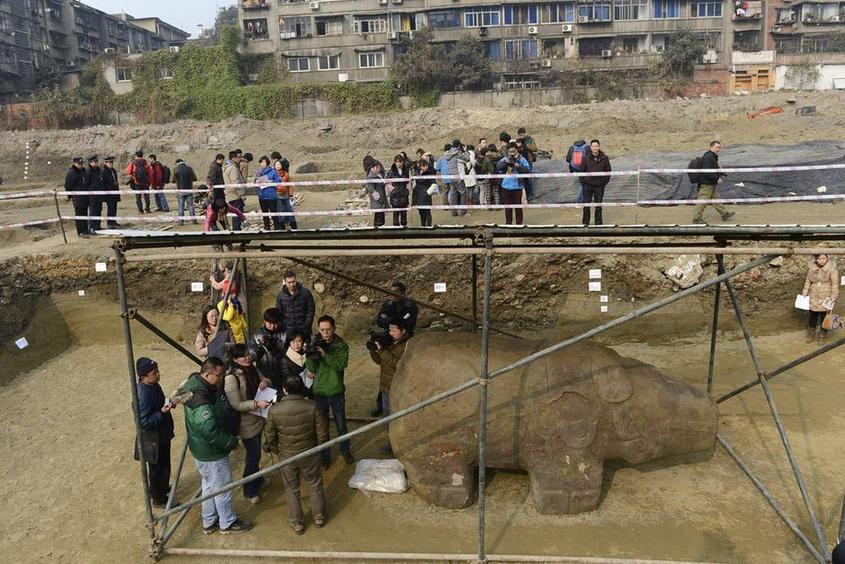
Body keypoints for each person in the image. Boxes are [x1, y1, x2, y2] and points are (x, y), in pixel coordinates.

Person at [179, 357, 254, 534]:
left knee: (209, 486)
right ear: (207, 373)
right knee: (223, 489)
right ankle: (227, 522)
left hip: (202, 451)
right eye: (218, 376)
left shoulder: (194, 383)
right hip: (212, 453)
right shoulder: (202, 401)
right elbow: (209, 431)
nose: (220, 379)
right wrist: (231, 441)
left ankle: (209, 520)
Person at [262, 376, 329, 535]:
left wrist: (276, 450)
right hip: (310, 453)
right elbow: (322, 432)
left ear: (285, 390)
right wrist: (318, 449)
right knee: (315, 484)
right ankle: (319, 517)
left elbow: (270, 436)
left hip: (287, 455)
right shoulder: (313, 406)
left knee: (292, 488)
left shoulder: (275, 410)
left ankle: (297, 522)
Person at [224, 344, 271, 504]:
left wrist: (265, 382)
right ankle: (249, 490)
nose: (248, 357)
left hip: (259, 417)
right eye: (244, 355)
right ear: (236, 358)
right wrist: (256, 404)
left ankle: (257, 479)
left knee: (256, 453)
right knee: (253, 454)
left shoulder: (252, 367)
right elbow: (236, 405)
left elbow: (265, 378)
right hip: (245, 423)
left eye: (248, 354)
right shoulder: (231, 378)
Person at [306, 315, 353, 467]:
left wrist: (325, 355)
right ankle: (325, 457)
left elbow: (340, 365)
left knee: (341, 425)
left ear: (334, 328)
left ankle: (345, 451)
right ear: (318, 330)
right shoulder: (316, 343)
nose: (325, 333)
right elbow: (311, 370)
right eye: (322, 330)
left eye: (328, 330)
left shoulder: (341, 345)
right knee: (322, 427)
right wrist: (310, 354)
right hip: (319, 392)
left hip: (336, 391)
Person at [371, 281, 418, 416]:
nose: (392, 295)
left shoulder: (410, 306)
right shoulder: (388, 304)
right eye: (390, 292)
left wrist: (390, 320)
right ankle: (381, 403)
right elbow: (380, 321)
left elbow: (407, 324)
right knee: (386, 368)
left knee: (401, 368)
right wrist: (394, 322)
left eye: (395, 292)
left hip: (404, 340)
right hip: (389, 338)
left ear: (403, 293)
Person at [136, 357, 176, 508]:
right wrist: (162, 412)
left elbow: (159, 403)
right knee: (157, 469)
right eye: (154, 373)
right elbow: (143, 422)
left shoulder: (153, 385)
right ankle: (159, 499)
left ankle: (162, 489)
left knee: (164, 466)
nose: (158, 374)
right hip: (154, 439)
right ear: (143, 376)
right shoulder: (143, 394)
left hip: (162, 434)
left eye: (157, 371)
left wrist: (168, 403)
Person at [368, 321, 410, 453]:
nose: (390, 333)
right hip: (386, 386)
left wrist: (381, 350)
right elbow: (380, 361)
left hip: (398, 388)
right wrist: (373, 350)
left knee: (398, 418)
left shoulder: (407, 345)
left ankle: (401, 443)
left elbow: (396, 363)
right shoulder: (391, 342)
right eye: (389, 330)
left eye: (393, 330)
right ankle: (392, 443)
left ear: (403, 331)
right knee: (388, 417)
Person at [692, 141, 735, 224]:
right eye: (717, 147)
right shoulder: (708, 157)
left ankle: (724, 214)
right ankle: (696, 218)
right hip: (707, 183)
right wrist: (716, 179)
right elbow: (707, 171)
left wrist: (720, 173)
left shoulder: (712, 156)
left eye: (719, 147)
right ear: (711, 147)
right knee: (702, 200)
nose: (718, 149)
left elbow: (713, 169)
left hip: (710, 183)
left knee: (716, 199)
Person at [801, 254, 839, 344]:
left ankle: (822, 335)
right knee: (812, 315)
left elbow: (835, 284)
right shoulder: (812, 268)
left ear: (827, 259)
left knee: (824, 316)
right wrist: (805, 291)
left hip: (826, 296)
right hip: (814, 294)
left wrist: (833, 296)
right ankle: (811, 334)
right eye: (820, 259)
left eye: (824, 258)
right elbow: (808, 280)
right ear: (816, 259)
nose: (822, 260)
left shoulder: (832, 269)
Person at [250, 307, 287, 389]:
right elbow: (251, 356)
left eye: (275, 323)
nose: (272, 326)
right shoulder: (257, 335)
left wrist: (274, 348)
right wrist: (260, 349)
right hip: (265, 375)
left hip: (282, 373)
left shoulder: (284, 334)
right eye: (269, 323)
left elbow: (287, 353)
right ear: (264, 321)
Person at [496, 143, 530, 225]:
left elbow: (527, 170)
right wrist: (505, 161)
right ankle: (508, 224)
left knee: (518, 207)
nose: (511, 153)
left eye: (513, 151)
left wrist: (517, 165)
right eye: (510, 151)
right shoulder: (505, 159)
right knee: (508, 208)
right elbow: (498, 166)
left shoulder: (521, 159)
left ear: (517, 150)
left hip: (517, 187)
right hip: (505, 186)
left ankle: (519, 224)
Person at [275, 270, 316, 336]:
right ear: (285, 282)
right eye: (289, 282)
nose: (292, 284)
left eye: (293, 282)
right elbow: (279, 312)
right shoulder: (281, 295)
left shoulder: (306, 293)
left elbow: (311, 310)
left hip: (303, 329)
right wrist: (282, 327)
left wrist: (307, 325)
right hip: (287, 330)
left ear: (296, 280)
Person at [581, 139, 612, 227]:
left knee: (598, 206)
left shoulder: (604, 158)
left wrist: (603, 182)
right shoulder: (586, 158)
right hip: (588, 186)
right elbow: (581, 171)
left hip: (599, 186)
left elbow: (608, 171)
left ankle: (598, 224)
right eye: (593, 146)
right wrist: (584, 182)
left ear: (599, 147)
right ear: (590, 147)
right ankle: (585, 223)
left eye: (596, 146)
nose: (595, 148)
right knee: (586, 205)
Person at [65, 157, 90, 238]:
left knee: (85, 212)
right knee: (79, 214)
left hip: (85, 196)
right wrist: (70, 195)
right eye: (79, 164)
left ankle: (86, 229)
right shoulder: (72, 172)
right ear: (75, 163)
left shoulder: (83, 171)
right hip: (77, 196)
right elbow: (68, 185)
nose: (80, 165)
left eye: (81, 164)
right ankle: (80, 231)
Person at [444, 140, 469, 217]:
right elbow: (467, 159)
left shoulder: (448, 153)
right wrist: (466, 151)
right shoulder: (458, 152)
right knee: (463, 193)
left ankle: (453, 212)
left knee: (453, 194)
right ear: (458, 146)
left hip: (450, 177)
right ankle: (463, 212)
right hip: (458, 177)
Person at [223, 151, 247, 231]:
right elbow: (236, 183)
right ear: (234, 158)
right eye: (239, 157)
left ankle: (236, 232)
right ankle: (237, 233)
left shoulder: (226, 168)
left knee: (235, 215)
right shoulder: (233, 168)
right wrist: (242, 195)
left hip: (230, 195)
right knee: (237, 215)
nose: (240, 159)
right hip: (236, 195)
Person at [254, 156, 278, 231]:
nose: (262, 164)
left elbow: (278, 181)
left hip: (271, 196)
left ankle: (277, 227)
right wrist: (256, 182)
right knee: (265, 214)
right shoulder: (258, 172)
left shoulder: (273, 171)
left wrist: (270, 182)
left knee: (274, 213)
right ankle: (267, 227)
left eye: (264, 162)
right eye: (261, 162)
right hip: (262, 196)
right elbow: (254, 182)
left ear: (267, 163)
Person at [126, 150, 153, 214]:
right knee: (146, 197)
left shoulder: (133, 162)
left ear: (136, 155)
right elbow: (150, 172)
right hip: (145, 183)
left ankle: (140, 210)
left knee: (138, 197)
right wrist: (149, 181)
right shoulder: (146, 162)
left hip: (137, 182)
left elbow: (128, 172)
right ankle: (147, 209)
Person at [174, 159, 198, 226]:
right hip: (189, 189)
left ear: (177, 163)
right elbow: (195, 178)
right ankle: (194, 220)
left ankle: (181, 221)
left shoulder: (176, 169)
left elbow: (172, 180)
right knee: (190, 205)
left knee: (181, 206)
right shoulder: (189, 168)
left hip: (180, 190)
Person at [387, 154, 410, 227]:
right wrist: (392, 190)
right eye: (397, 162)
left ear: (402, 162)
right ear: (394, 162)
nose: (398, 163)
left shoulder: (406, 171)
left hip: (404, 195)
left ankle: (404, 229)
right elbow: (387, 182)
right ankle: (395, 230)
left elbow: (408, 181)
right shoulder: (391, 171)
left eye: (400, 162)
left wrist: (407, 190)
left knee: (404, 214)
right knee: (395, 214)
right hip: (395, 197)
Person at [412, 158, 435, 227]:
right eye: (423, 166)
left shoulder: (430, 173)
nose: (425, 167)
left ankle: (428, 226)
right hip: (418, 195)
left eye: (426, 165)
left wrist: (427, 193)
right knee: (421, 212)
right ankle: (423, 226)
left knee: (427, 212)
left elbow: (434, 184)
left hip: (425, 195)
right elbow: (414, 184)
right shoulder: (417, 173)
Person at [275, 159, 297, 231]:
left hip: (286, 195)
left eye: (278, 164)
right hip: (277, 196)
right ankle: (282, 226)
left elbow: (290, 185)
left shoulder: (286, 174)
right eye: (276, 165)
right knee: (281, 210)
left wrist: (291, 195)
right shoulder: (274, 174)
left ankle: (293, 224)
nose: (277, 166)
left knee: (289, 210)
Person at [84, 155, 105, 233]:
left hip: (99, 194)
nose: (96, 163)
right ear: (90, 163)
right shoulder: (88, 171)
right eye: (95, 162)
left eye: (97, 161)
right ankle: (92, 227)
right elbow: (86, 183)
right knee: (93, 211)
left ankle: (97, 225)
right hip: (92, 195)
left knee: (99, 210)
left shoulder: (98, 170)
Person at [566, 140, 588, 204]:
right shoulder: (587, 147)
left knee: (582, 184)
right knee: (583, 184)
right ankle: (579, 201)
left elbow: (568, 159)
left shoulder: (572, 147)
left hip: (576, 169)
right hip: (585, 169)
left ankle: (582, 200)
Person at [366, 160, 387, 227]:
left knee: (381, 214)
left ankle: (381, 226)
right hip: (377, 199)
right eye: (377, 168)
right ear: (373, 167)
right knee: (378, 215)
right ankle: (377, 228)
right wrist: (376, 195)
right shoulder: (371, 176)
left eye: (379, 168)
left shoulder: (380, 174)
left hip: (382, 197)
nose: (378, 169)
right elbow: (370, 188)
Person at [102, 156, 121, 228]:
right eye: (109, 162)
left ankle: (113, 221)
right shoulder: (104, 171)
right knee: (110, 208)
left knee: (114, 208)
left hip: (114, 192)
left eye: (111, 162)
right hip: (109, 193)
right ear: (106, 163)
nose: (110, 164)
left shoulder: (113, 170)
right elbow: (104, 183)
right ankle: (110, 223)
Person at [460, 144, 477, 213]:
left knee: (466, 190)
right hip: (470, 173)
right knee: (471, 190)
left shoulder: (460, 155)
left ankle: (467, 203)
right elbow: (473, 163)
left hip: (464, 174)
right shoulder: (470, 154)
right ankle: (470, 203)